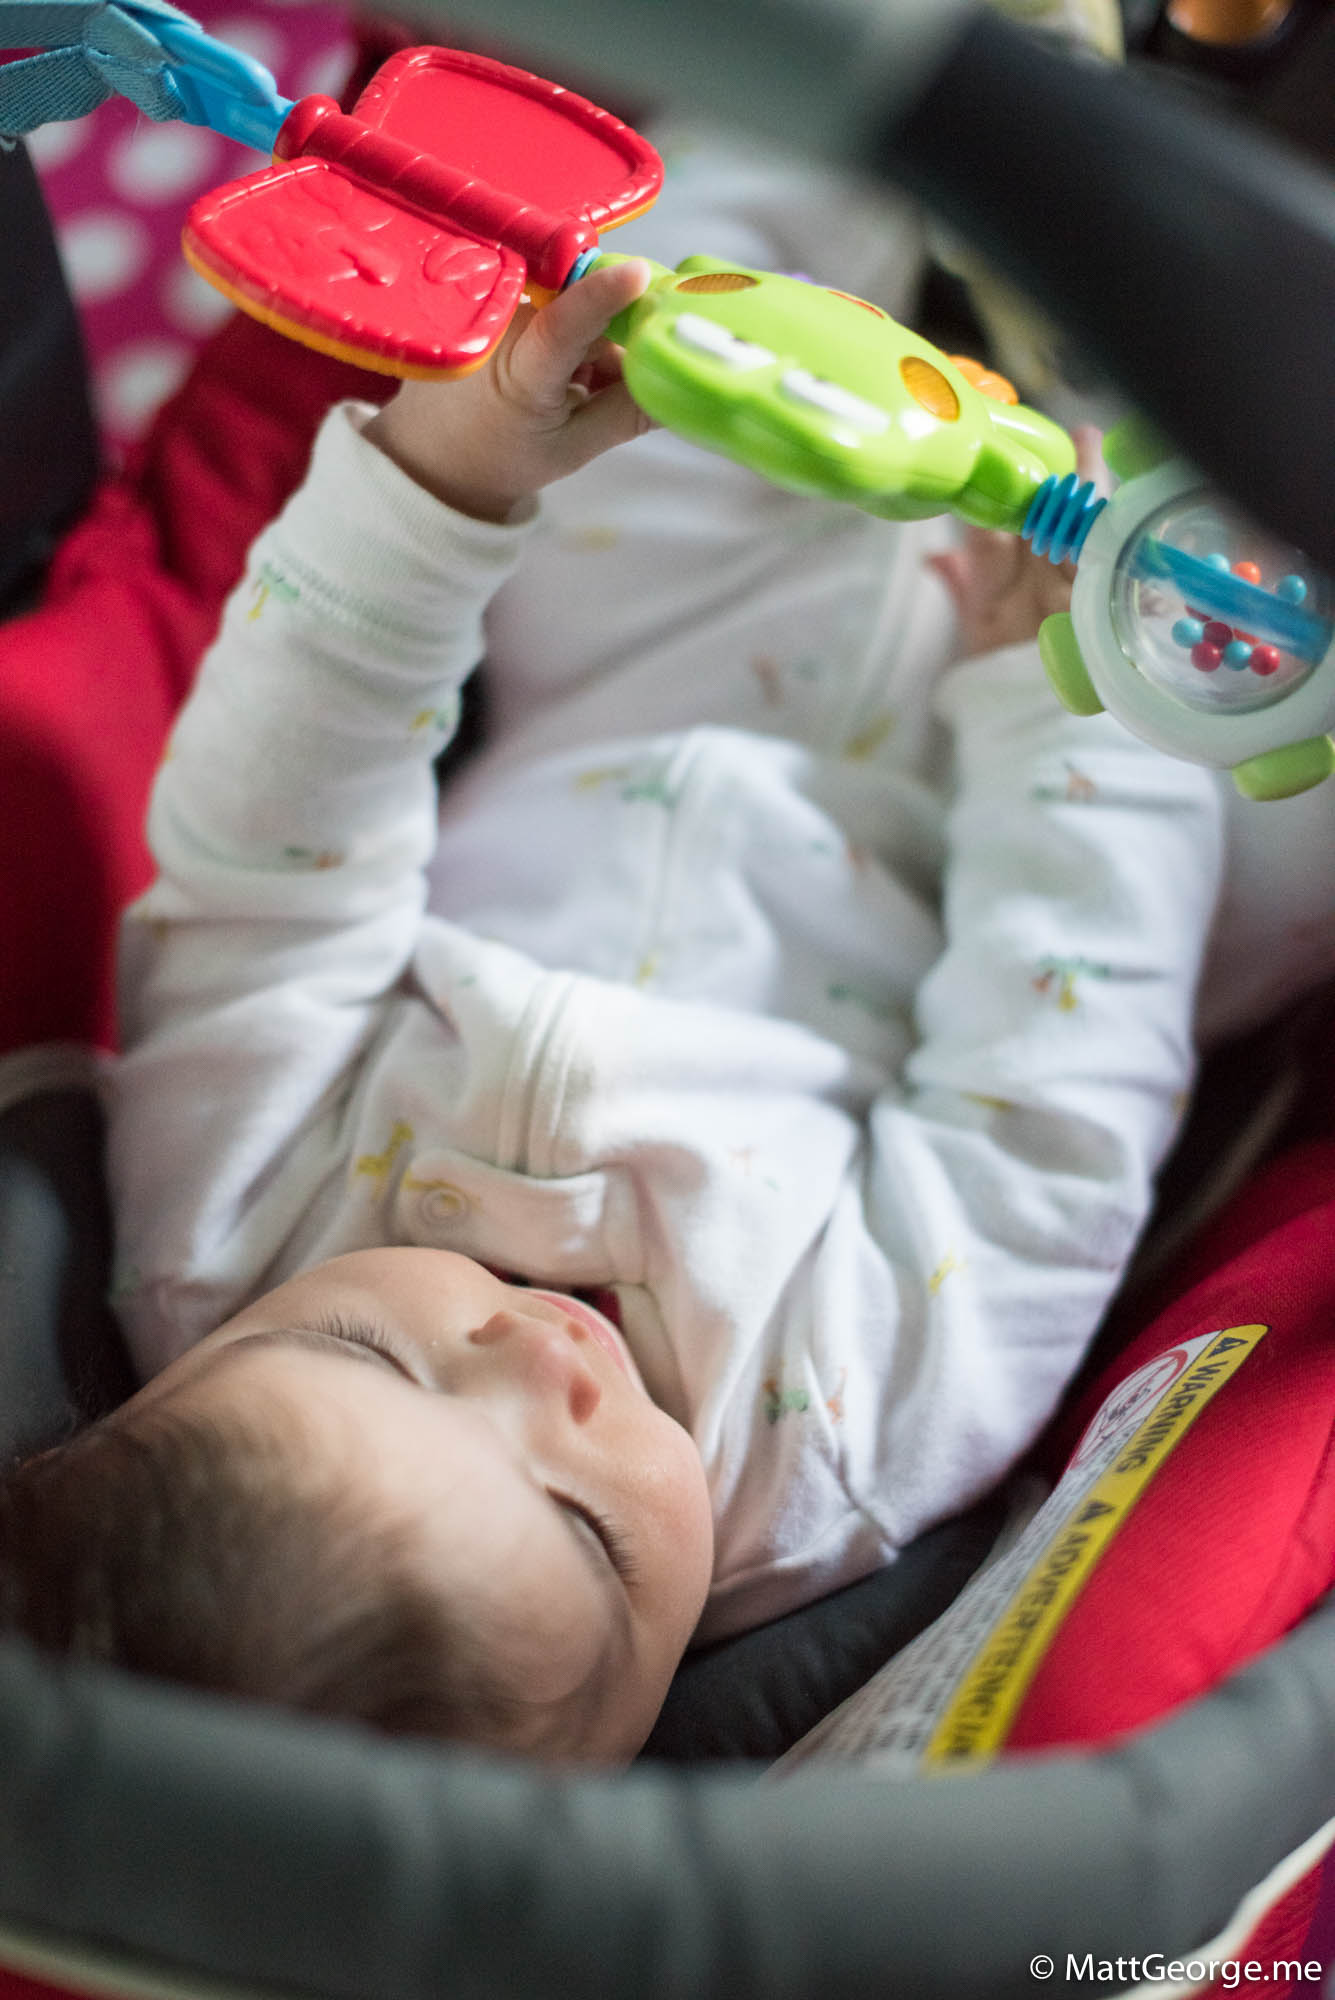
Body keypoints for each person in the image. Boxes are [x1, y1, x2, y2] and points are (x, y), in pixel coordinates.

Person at [0, 138, 1226, 1763]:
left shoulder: (216, 1237)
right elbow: (1051, 1101)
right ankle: (1186, 319)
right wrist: (1049, 712)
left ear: (165, 1372)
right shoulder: (835, 1448)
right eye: (588, 1531)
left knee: (657, 307)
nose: (539, 1366)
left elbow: (269, 863)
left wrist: (442, 485)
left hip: (649, 666)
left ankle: (896, 97)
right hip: (984, 819)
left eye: (374, 1348)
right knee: (1255, 785)